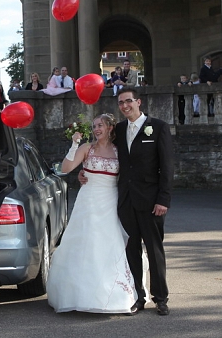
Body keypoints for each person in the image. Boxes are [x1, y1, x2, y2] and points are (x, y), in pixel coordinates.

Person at [82, 87, 174, 315]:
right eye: (121, 102)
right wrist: (83, 171)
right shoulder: (119, 130)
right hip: (125, 201)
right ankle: (138, 296)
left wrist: (163, 199)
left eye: (128, 101)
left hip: (152, 201)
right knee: (131, 250)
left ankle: (160, 298)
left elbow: (167, 168)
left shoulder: (159, 127)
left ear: (138, 102)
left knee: (154, 251)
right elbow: (101, 150)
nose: (124, 106)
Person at [46, 113, 137, 315]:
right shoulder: (87, 148)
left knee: (109, 244)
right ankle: (78, 295)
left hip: (111, 201)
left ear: (110, 128)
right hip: (88, 201)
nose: (96, 129)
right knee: (85, 244)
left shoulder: (119, 151)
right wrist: (74, 143)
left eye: (101, 125)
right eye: (94, 125)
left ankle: (113, 295)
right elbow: (66, 167)